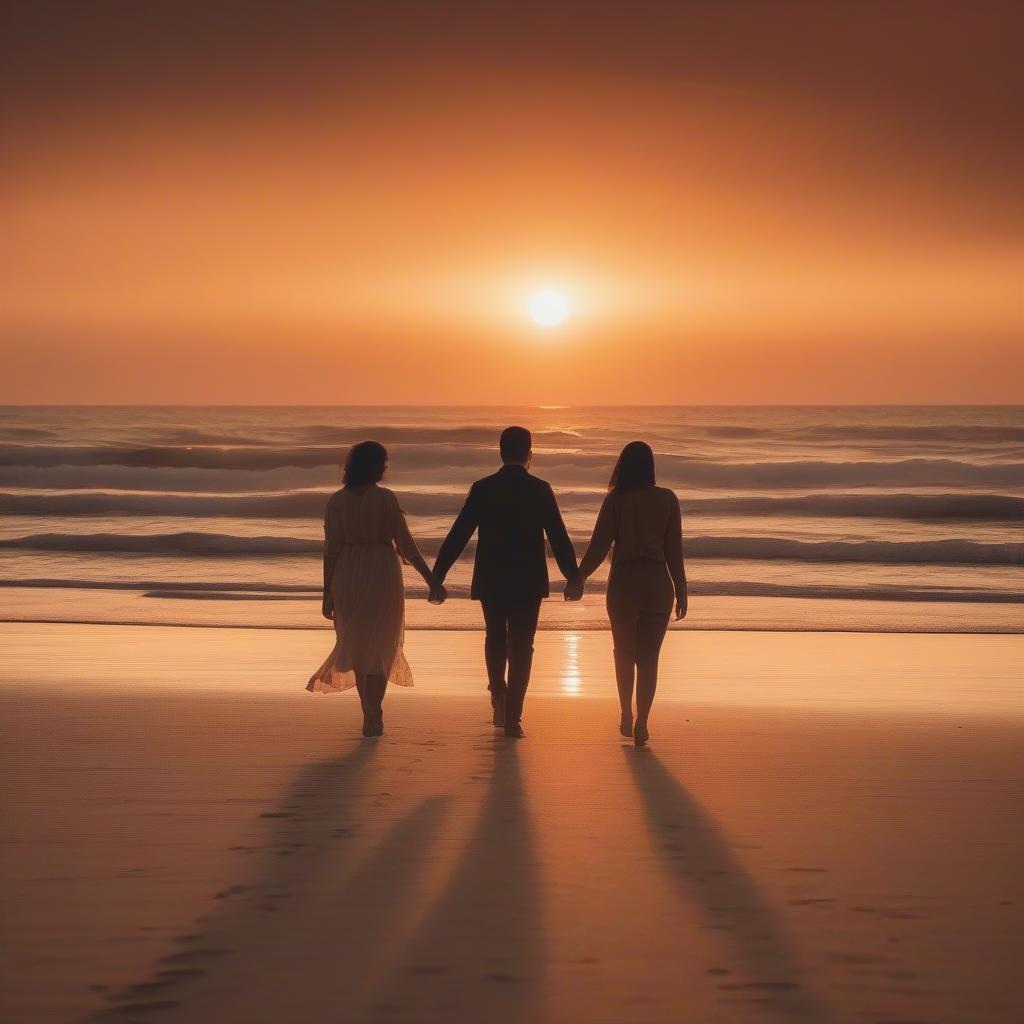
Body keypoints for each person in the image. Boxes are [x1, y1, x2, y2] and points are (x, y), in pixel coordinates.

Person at [432, 426, 579, 737]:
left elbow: (459, 534)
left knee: (495, 636)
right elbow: (558, 537)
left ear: (501, 452)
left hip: (492, 576)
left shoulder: (484, 488)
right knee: (523, 645)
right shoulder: (540, 489)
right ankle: (514, 715)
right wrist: (573, 577)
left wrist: (438, 575)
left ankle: (498, 691)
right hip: (527, 578)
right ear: (530, 454)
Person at [307, 441, 443, 736]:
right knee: (381, 645)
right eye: (383, 462)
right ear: (375, 467)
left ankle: (368, 712)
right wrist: (432, 580)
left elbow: (330, 552)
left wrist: (327, 594)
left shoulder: (336, 502)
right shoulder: (385, 500)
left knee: (356, 645)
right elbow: (408, 548)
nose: (386, 467)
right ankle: (374, 711)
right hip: (382, 573)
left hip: (347, 574)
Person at [566, 441, 687, 747]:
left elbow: (598, 547)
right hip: (658, 584)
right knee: (649, 659)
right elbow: (675, 552)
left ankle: (625, 713)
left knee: (624, 653)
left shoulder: (616, 501)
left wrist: (578, 577)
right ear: (651, 467)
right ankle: (643, 722)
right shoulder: (668, 499)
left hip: (624, 584)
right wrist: (682, 591)